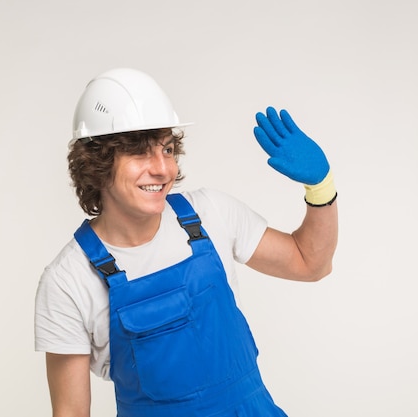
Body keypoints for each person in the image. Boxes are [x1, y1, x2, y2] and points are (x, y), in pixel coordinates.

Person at [34, 68, 338, 417]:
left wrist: (321, 188)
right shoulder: (68, 280)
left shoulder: (210, 214)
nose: (163, 169)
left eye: (166, 149)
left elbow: (310, 263)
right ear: (98, 163)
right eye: (140, 153)